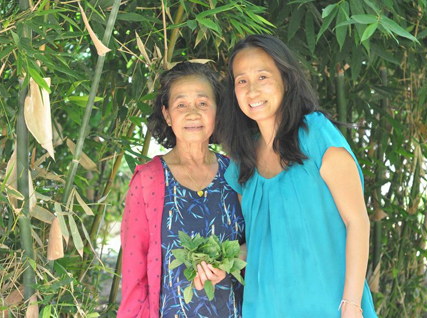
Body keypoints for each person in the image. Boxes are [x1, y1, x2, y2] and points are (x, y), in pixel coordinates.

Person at [219, 35, 378, 317]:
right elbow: (259, 243)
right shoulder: (244, 160)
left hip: (330, 304)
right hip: (265, 307)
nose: (252, 90)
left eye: (263, 76)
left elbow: (357, 221)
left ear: (287, 80)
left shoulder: (317, 135)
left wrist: (351, 305)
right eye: (241, 80)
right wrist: (223, 263)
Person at [117, 62, 245, 318]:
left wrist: (229, 263)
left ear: (217, 111)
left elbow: (259, 242)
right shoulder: (148, 180)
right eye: (181, 105)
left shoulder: (237, 174)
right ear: (167, 115)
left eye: (202, 103)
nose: (193, 113)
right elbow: (134, 272)